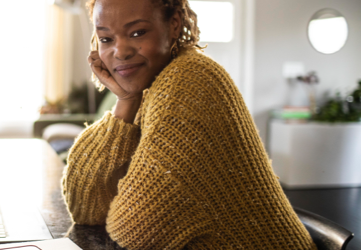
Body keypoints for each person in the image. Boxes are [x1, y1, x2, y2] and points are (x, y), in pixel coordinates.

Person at [61, 0, 317, 249]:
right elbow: (86, 208)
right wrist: (126, 101)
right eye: (106, 39)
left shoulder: (188, 80)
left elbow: (137, 230)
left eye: (137, 33)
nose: (121, 51)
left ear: (174, 24)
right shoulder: (150, 87)